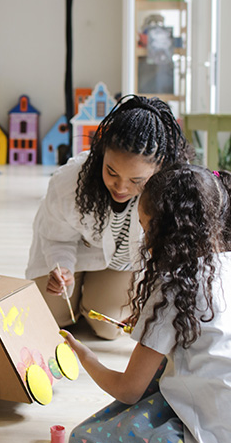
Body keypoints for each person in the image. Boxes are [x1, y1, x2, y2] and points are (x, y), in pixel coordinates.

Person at [64, 163, 231, 443]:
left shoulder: (174, 284)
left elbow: (129, 389)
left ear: (165, 231)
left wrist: (87, 359)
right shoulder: (224, 265)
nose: (144, 239)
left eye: (145, 227)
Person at [25, 95, 190, 339]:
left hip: (123, 263)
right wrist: (63, 268)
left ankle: (88, 301)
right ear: (101, 152)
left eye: (136, 181)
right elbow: (57, 237)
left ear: (160, 168)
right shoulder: (71, 182)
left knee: (108, 326)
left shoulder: (171, 195)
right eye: (111, 172)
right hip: (75, 251)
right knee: (48, 316)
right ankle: (78, 299)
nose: (121, 187)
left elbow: (172, 256)